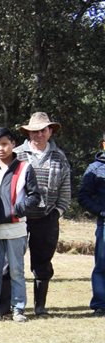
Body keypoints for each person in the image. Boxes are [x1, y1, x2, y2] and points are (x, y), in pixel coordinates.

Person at [14, 112, 71, 317]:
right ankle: (7, 306)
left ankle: (40, 306)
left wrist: (57, 212)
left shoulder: (59, 157)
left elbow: (65, 190)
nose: (38, 135)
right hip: (19, 217)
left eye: (43, 130)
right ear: (28, 133)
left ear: (50, 132)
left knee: (43, 262)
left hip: (47, 217)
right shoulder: (17, 154)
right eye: (34, 131)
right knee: (11, 261)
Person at [0, 127, 39, 322]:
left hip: (16, 229)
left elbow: (35, 197)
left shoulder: (25, 168)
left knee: (16, 270)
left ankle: (18, 309)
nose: (1, 148)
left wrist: (17, 210)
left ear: (13, 144)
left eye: (5, 144)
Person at [80, 131, 105, 316]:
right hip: (104, 224)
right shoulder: (94, 168)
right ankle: (100, 304)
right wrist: (101, 211)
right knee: (102, 265)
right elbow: (83, 196)